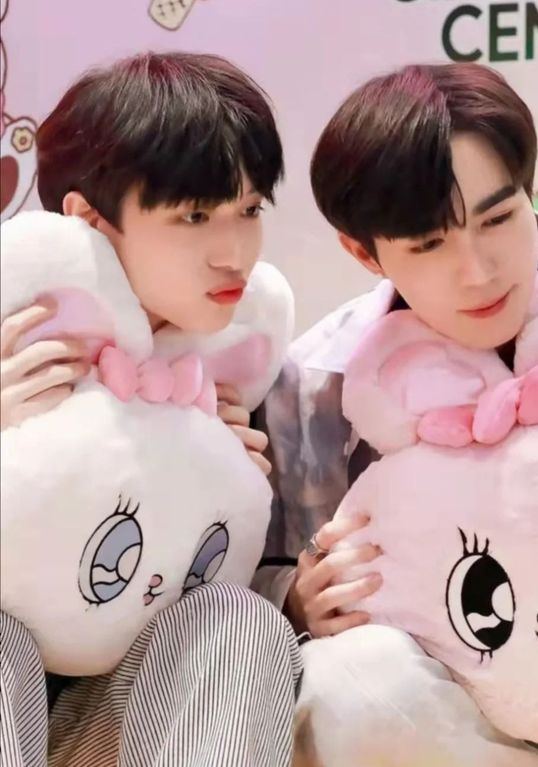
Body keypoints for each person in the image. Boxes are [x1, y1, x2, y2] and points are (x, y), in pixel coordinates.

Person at [257, 63, 538, 767]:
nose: (479, 270)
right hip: (451, 711)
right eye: (429, 243)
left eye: (498, 218)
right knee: (348, 686)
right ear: (363, 251)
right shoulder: (314, 381)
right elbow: (263, 569)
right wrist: (296, 600)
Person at [0, 52, 302, 767]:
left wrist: (284, 578)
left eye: (249, 209)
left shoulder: (239, 375)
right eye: (194, 215)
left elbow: (257, 575)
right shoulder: (15, 326)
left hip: (126, 713)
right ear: (89, 217)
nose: (235, 254)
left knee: (239, 621)